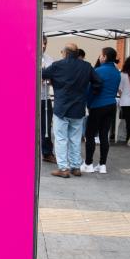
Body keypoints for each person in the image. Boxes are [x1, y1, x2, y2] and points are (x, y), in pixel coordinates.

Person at [42, 43, 102, 178]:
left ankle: (63, 168)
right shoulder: (86, 66)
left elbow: (43, 74)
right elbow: (98, 82)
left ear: (65, 52)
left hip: (61, 108)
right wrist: (88, 95)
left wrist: (54, 80)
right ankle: (76, 167)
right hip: (79, 108)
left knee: (61, 138)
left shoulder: (58, 65)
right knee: (75, 139)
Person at [81, 47, 120, 174]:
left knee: (90, 134)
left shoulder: (98, 71)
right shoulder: (117, 72)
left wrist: (89, 104)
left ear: (104, 57)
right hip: (111, 105)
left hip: (98, 105)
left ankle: (88, 164)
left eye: (101, 55)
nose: (99, 57)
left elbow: (90, 90)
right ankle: (102, 165)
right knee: (104, 135)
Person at [40, 35, 56, 163]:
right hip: (29, 98)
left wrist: (49, 79)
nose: (44, 46)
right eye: (41, 43)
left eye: (45, 43)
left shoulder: (50, 59)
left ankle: (47, 152)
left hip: (44, 98)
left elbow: (55, 77)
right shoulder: (27, 55)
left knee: (46, 126)